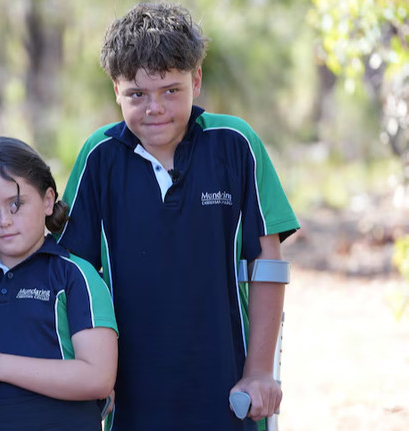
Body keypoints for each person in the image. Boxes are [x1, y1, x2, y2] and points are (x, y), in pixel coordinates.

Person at [56, 3, 301, 430]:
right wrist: (88, 371)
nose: (155, 108)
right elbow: (71, 275)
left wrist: (260, 371)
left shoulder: (236, 145)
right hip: (129, 392)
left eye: (171, 90)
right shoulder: (99, 157)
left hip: (227, 384)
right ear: (116, 89)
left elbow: (268, 265)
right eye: (137, 94)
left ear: (197, 80)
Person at [0, 136, 119, 431]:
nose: (4, 221)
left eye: (16, 204)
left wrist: (0, 366)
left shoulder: (75, 275)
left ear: (48, 200)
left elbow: (99, 378)